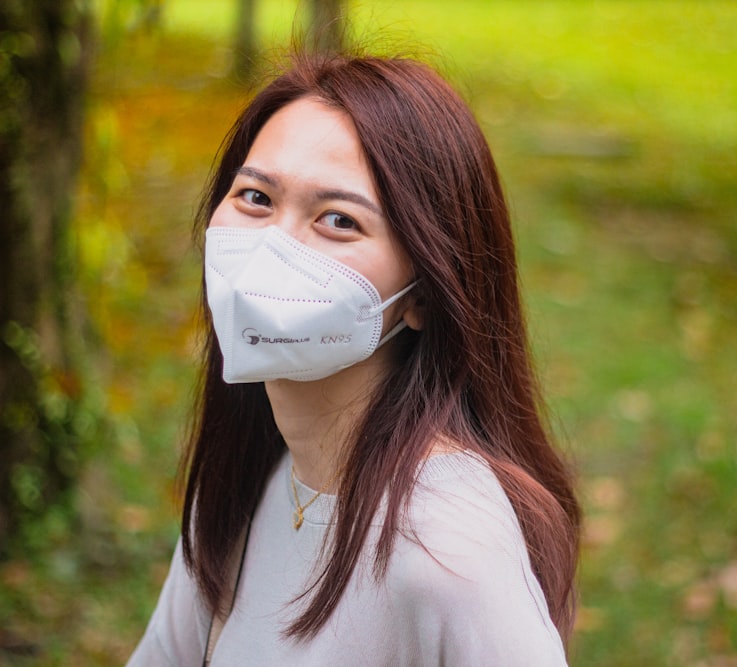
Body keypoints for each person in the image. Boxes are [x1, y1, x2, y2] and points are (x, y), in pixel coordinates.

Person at [127, 52, 581, 666]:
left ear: (422, 293)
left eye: (337, 220)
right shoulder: (243, 481)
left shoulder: (448, 549)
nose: (271, 248)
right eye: (256, 197)